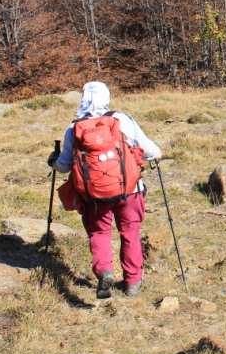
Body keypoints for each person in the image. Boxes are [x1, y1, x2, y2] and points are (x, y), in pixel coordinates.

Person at [48, 81, 161, 299]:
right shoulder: (122, 120)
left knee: (99, 233)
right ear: (107, 97)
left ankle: (104, 271)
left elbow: (62, 166)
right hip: (130, 190)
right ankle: (133, 283)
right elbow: (152, 151)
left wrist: (52, 161)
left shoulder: (74, 128)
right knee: (130, 233)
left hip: (93, 196)